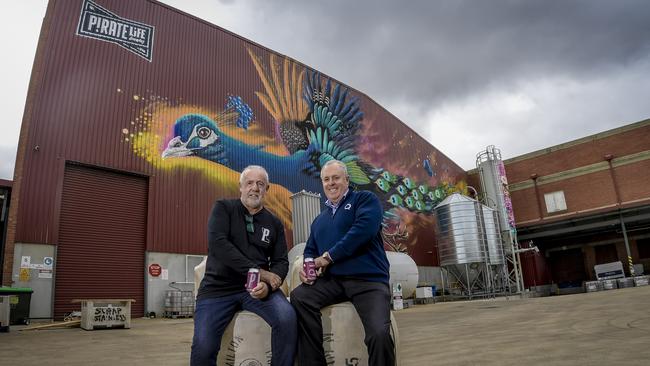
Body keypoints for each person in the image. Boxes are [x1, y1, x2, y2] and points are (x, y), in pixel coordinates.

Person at [290, 159, 395, 366]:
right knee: (300, 296)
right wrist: (307, 268)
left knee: (379, 334)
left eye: (336, 178)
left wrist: (328, 256)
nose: (331, 183)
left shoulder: (365, 200)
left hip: (369, 281)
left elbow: (362, 231)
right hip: (334, 281)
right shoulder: (319, 220)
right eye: (326, 179)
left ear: (346, 180)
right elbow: (310, 250)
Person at [191, 165, 296, 366]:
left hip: (258, 290)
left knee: (287, 318)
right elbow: (219, 245)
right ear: (241, 187)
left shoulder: (274, 223)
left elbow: (281, 261)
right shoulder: (223, 208)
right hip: (217, 289)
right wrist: (259, 272)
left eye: (260, 184)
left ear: (267, 189)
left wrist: (269, 286)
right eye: (249, 183)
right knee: (203, 346)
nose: (254, 188)